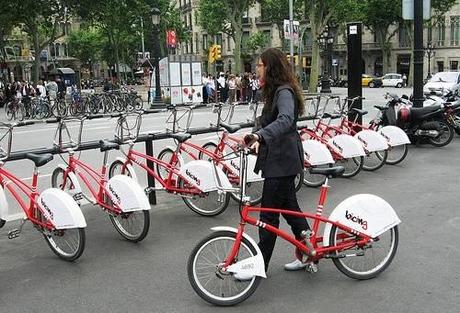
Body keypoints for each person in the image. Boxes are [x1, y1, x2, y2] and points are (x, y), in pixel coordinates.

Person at [236, 48, 312, 280]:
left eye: (260, 64)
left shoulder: (284, 92)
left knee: (268, 217)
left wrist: (261, 137)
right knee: (290, 209)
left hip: (282, 163)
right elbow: (266, 121)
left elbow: (286, 120)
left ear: (270, 67)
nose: (257, 68)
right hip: (281, 161)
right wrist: (255, 136)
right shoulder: (275, 92)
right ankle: (308, 251)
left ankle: (259, 266)